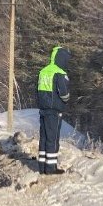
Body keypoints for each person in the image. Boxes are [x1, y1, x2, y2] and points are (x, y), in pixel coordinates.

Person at [36, 46, 70, 174]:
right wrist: (66, 100)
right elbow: (64, 93)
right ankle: (51, 168)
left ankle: (42, 167)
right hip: (54, 111)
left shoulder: (43, 71)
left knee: (44, 137)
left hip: (43, 109)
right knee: (53, 138)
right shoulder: (60, 73)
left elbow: (37, 90)